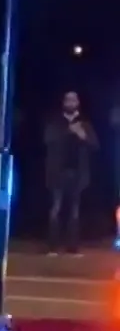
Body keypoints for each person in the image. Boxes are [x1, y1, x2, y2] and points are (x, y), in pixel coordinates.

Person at [44, 90, 97, 256]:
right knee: (56, 208)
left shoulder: (84, 124)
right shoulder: (55, 121)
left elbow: (95, 145)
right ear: (64, 103)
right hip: (57, 174)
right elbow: (47, 139)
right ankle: (53, 247)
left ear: (78, 103)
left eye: (74, 100)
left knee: (74, 211)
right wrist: (69, 131)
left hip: (77, 174)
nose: (71, 102)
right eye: (68, 99)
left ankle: (72, 248)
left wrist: (82, 134)